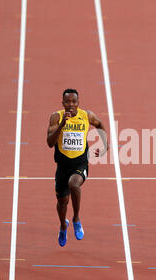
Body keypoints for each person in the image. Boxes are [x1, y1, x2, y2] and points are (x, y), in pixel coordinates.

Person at [47, 88, 108, 247]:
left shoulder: (86, 116)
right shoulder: (56, 117)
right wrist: (62, 125)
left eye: (74, 101)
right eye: (67, 102)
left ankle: (76, 219)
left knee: (74, 185)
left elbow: (100, 124)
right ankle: (62, 225)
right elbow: (49, 143)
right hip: (62, 166)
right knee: (62, 202)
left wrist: (105, 144)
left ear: (78, 103)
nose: (71, 105)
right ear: (63, 103)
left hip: (80, 164)